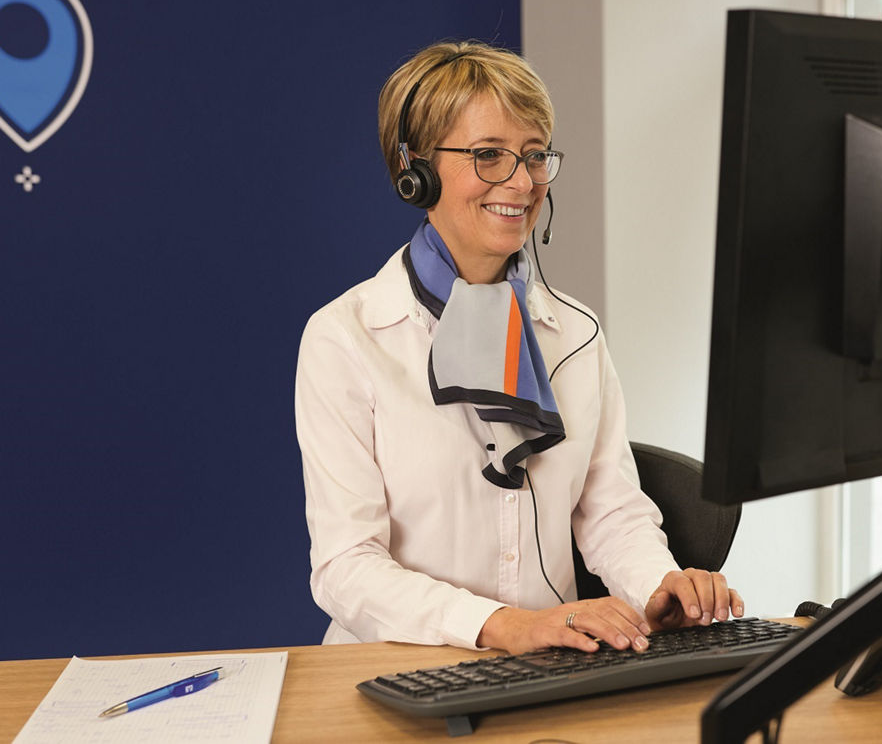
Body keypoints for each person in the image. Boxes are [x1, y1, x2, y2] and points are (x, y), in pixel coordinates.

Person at [295, 41, 743, 656]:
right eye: (487, 156)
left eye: (534, 156)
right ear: (415, 168)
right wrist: (503, 623)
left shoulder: (574, 331)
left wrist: (657, 585)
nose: (521, 181)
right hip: (393, 668)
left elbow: (611, 512)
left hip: (549, 664)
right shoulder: (346, 337)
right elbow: (346, 568)